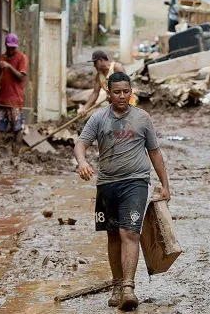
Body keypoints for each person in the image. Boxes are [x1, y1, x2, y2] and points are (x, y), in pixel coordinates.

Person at [74, 71, 170, 311]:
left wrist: (165, 184)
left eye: (126, 91)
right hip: (107, 184)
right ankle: (117, 285)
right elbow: (80, 143)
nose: (122, 96)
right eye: (116, 92)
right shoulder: (98, 118)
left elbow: (155, 152)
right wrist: (83, 162)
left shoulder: (142, 118)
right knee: (113, 234)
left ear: (131, 91)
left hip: (136, 182)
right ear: (108, 93)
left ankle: (128, 287)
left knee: (130, 232)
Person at [0, 33, 28, 153]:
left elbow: (21, 77)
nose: (11, 50)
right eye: (9, 47)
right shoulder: (2, 58)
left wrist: (9, 66)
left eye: (13, 47)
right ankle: (1, 154)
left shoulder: (21, 58)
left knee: (18, 128)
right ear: (6, 46)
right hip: (1, 99)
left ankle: (15, 154)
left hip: (15, 100)